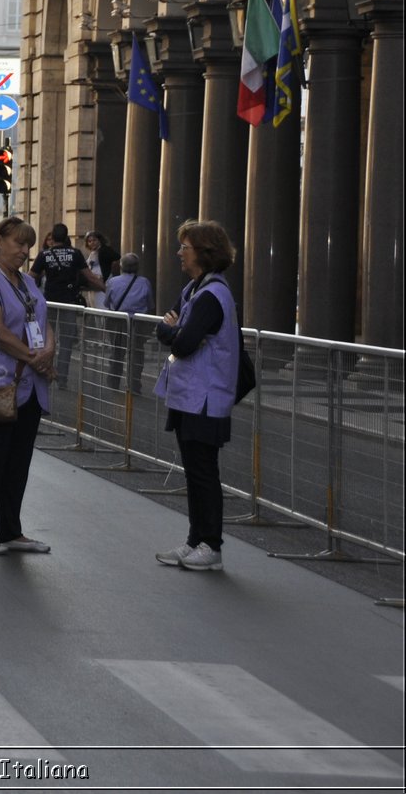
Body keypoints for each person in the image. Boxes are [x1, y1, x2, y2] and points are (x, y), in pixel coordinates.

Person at [153, 221, 240, 573]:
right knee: (194, 471)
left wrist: (174, 330)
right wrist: (173, 330)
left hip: (205, 397)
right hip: (189, 395)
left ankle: (211, 545)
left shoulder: (211, 295)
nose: (179, 253)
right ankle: (195, 541)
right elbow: (165, 330)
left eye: (184, 247)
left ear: (203, 252)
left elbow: (185, 342)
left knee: (203, 471)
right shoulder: (194, 288)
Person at [0, 217, 56, 556]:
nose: (24, 250)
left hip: (30, 384)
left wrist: (48, 349)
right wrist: (35, 358)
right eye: (18, 243)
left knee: (19, 460)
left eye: (28, 245)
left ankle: (10, 529)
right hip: (1, 382)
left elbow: (45, 320)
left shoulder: (28, 281)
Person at [30, 223, 104, 387]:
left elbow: (30, 277)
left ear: (53, 238)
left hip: (49, 302)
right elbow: (90, 277)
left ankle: (45, 373)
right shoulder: (75, 254)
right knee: (66, 341)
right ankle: (62, 377)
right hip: (69, 303)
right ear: (66, 237)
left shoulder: (44, 255)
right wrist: (106, 289)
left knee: (45, 340)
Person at [103, 252, 153, 393]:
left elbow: (107, 302)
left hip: (117, 320)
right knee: (136, 354)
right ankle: (134, 385)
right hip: (138, 321)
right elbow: (150, 304)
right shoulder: (144, 282)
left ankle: (113, 382)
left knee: (116, 352)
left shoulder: (112, 282)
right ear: (137, 267)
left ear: (121, 266)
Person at [82, 230, 117, 308]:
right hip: (93, 285)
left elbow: (115, 261)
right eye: (89, 241)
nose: (92, 243)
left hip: (102, 284)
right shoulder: (92, 253)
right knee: (94, 308)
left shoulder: (105, 250)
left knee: (102, 308)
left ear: (99, 240)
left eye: (94, 240)